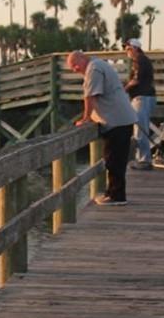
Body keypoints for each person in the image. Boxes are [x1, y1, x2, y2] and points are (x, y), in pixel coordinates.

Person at [67, 50, 137, 206]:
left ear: (82, 59)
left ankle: (117, 196)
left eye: (75, 65)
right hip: (121, 119)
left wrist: (86, 118)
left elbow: (91, 95)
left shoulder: (94, 68)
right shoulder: (98, 64)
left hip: (117, 121)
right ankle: (112, 192)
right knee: (115, 159)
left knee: (114, 160)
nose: (74, 69)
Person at [123, 38, 156, 169]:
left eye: (128, 49)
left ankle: (144, 161)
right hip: (144, 97)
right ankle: (141, 159)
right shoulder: (142, 60)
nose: (127, 52)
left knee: (140, 131)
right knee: (140, 129)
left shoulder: (139, 60)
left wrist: (123, 89)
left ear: (135, 48)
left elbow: (136, 80)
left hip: (142, 98)